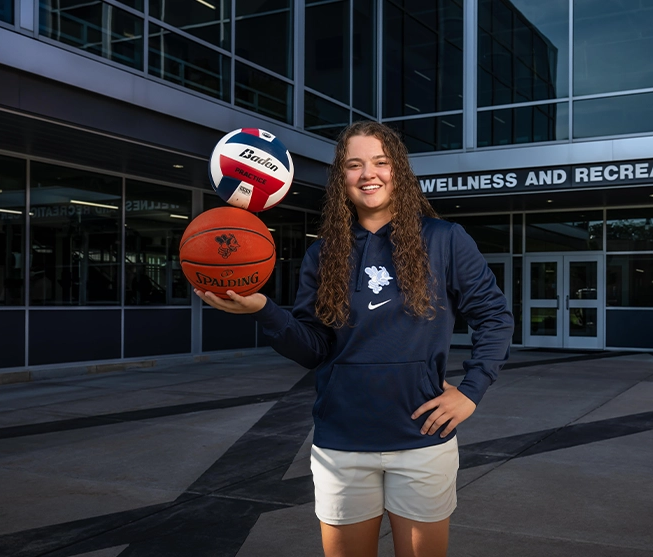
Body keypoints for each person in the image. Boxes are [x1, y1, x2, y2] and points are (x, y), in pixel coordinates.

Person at [196, 121, 513, 557]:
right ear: (340, 178)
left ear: (398, 171)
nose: (369, 173)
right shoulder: (322, 254)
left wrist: (472, 392)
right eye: (354, 164)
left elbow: (495, 316)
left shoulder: (445, 240)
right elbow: (314, 349)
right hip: (342, 443)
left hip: (422, 440)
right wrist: (264, 312)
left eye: (381, 162)